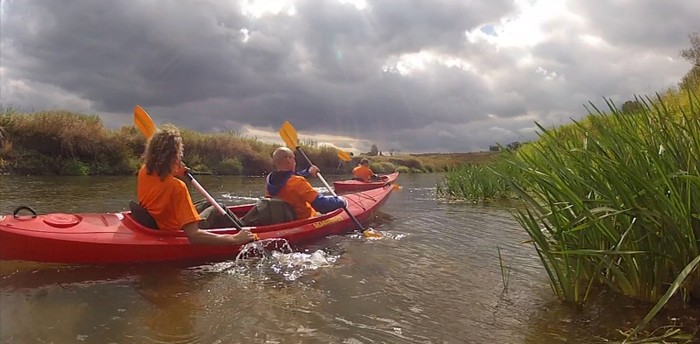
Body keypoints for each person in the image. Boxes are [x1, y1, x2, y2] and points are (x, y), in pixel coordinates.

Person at [137, 124, 255, 245]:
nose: (181, 155)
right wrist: (234, 239)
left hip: (160, 219)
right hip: (176, 229)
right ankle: (246, 232)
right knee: (218, 208)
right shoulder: (177, 187)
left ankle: (242, 227)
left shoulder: (144, 171)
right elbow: (194, 236)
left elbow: (161, 179)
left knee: (208, 203)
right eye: (180, 152)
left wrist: (176, 170)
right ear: (175, 156)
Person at [266, 147, 347, 220]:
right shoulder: (298, 182)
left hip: (285, 220)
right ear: (288, 159)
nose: (295, 162)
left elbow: (289, 177)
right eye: (294, 158)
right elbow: (321, 205)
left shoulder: (270, 180)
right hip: (305, 220)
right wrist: (342, 201)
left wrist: (308, 172)